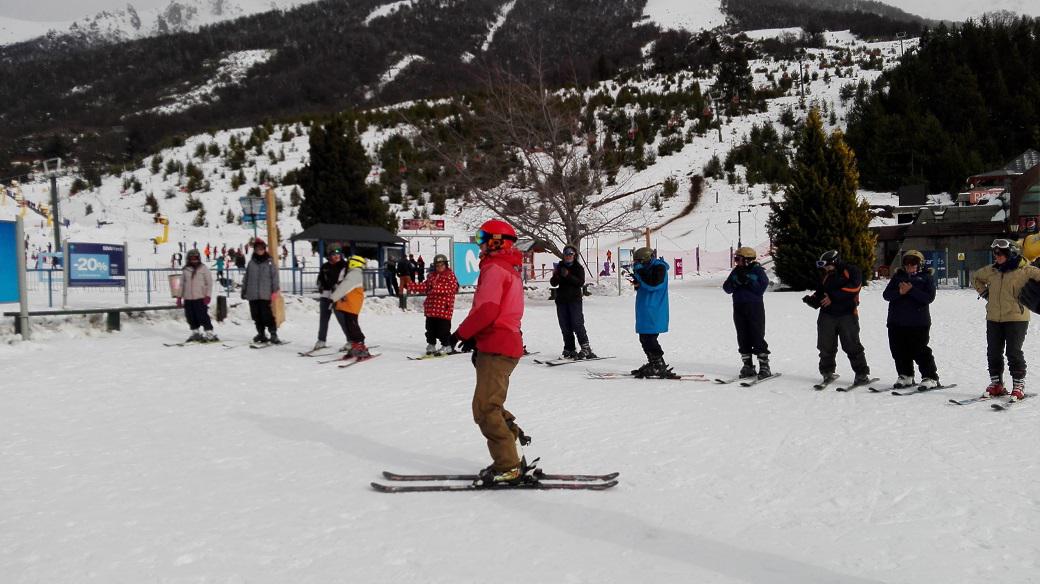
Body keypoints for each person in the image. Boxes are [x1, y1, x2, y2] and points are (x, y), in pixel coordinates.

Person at [447, 219, 530, 487]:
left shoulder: (495, 268)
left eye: (484, 236)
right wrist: (476, 339)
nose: (480, 241)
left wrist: (462, 333)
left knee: (485, 408)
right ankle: (511, 434)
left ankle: (508, 465)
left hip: (498, 344)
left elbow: (488, 310)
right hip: (499, 342)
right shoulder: (508, 268)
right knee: (489, 403)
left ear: (497, 240)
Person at [972, 239, 1040, 400]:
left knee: (1013, 352)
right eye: (995, 253)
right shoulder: (992, 270)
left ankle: (1018, 385)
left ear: (1012, 253)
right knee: (993, 352)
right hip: (994, 317)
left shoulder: (1026, 270)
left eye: (1001, 253)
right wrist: (986, 294)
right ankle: (996, 384)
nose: (997, 256)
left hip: (1017, 317)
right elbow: (976, 278)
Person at [803, 250, 870, 386]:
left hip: (847, 314)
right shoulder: (827, 275)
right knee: (825, 345)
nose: (826, 269)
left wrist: (833, 297)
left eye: (828, 266)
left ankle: (861, 373)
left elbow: (854, 288)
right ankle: (827, 372)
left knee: (851, 344)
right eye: (824, 267)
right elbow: (821, 291)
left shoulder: (851, 270)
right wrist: (813, 300)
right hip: (827, 315)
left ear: (835, 262)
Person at [882, 250, 940, 389]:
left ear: (920, 264)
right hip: (896, 321)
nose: (910, 266)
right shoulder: (898, 277)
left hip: (918, 322)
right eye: (907, 263)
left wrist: (911, 290)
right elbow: (886, 295)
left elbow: (928, 298)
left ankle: (930, 377)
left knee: (919, 349)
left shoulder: (926, 277)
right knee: (898, 350)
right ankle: (905, 375)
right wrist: (900, 292)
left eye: (913, 263)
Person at [722, 246, 770, 379]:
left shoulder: (758, 271)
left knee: (757, 334)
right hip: (739, 306)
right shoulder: (736, 271)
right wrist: (736, 282)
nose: (736, 262)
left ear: (747, 260)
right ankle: (748, 365)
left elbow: (761, 288)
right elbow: (726, 288)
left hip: (754, 307)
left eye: (738, 259)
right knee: (742, 335)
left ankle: (764, 366)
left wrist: (749, 281)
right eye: (735, 259)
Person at [629, 247, 675, 378]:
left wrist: (640, 272)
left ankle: (658, 364)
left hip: (654, 308)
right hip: (645, 307)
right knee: (644, 337)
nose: (637, 264)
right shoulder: (647, 268)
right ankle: (653, 362)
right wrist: (637, 282)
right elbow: (646, 283)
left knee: (649, 337)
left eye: (639, 262)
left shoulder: (659, 268)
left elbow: (653, 285)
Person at [406, 253, 460, 355]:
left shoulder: (450, 275)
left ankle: (446, 345)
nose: (439, 267)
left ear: (446, 265)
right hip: (431, 308)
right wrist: (412, 286)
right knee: (430, 329)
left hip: (443, 308)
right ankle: (431, 344)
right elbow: (425, 286)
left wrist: (436, 288)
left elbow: (452, 288)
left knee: (443, 329)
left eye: (442, 265)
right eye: (437, 265)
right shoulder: (431, 276)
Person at [551, 244, 597, 360]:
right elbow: (553, 283)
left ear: (574, 255)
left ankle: (586, 347)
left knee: (577, 323)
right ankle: (569, 348)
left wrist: (568, 275)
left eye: (571, 254)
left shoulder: (578, 267)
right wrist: (557, 275)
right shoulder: (560, 267)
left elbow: (580, 282)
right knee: (565, 325)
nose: (568, 256)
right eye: (566, 254)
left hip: (574, 300)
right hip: (561, 300)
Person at [331, 255, 373, 359]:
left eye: (350, 262)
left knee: (353, 326)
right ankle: (355, 346)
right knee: (350, 326)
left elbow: (344, 287)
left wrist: (332, 298)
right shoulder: (353, 273)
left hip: (352, 304)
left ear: (354, 263)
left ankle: (361, 346)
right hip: (348, 304)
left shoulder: (354, 274)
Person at [241, 238, 281, 344]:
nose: (260, 250)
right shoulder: (251, 263)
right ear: (254, 249)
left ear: (264, 249)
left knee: (266, 315)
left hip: (265, 294)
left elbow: (275, 278)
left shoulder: (270, 263)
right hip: (253, 294)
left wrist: (275, 291)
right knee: (256, 315)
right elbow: (246, 277)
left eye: (262, 248)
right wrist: (244, 290)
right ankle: (261, 334)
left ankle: (273, 333)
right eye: (258, 248)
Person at [313, 247, 351, 352]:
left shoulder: (344, 265)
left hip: (338, 296)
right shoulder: (325, 266)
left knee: (342, 319)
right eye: (334, 254)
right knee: (323, 319)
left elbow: (348, 280)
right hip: (325, 296)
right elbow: (320, 279)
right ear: (329, 256)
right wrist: (320, 285)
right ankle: (321, 340)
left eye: (338, 254)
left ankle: (350, 340)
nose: (336, 256)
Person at [178, 249, 218, 342]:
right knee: (190, 316)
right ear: (188, 259)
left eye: (195, 258)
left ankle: (209, 333)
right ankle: (195, 332)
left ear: (198, 258)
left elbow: (209, 283)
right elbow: (182, 284)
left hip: (200, 297)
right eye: (191, 258)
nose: (194, 260)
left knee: (202, 315)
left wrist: (208, 295)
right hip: (188, 298)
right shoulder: (185, 270)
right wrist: (179, 297)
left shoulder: (203, 268)